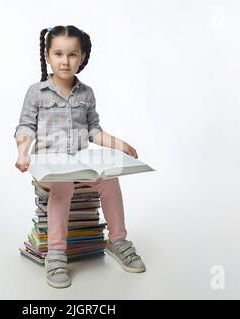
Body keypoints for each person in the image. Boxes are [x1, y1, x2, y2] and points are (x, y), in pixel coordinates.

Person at [14, 25, 146, 289]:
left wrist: (119, 144)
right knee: (62, 186)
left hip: (80, 163)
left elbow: (93, 131)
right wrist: (22, 151)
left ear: (82, 57)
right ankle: (56, 253)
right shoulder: (36, 92)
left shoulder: (86, 93)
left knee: (110, 180)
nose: (65, 61)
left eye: (72, 54)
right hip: (50, 167)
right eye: (59, 54)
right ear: (48, 55)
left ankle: (118, 241)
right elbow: (25, 127)